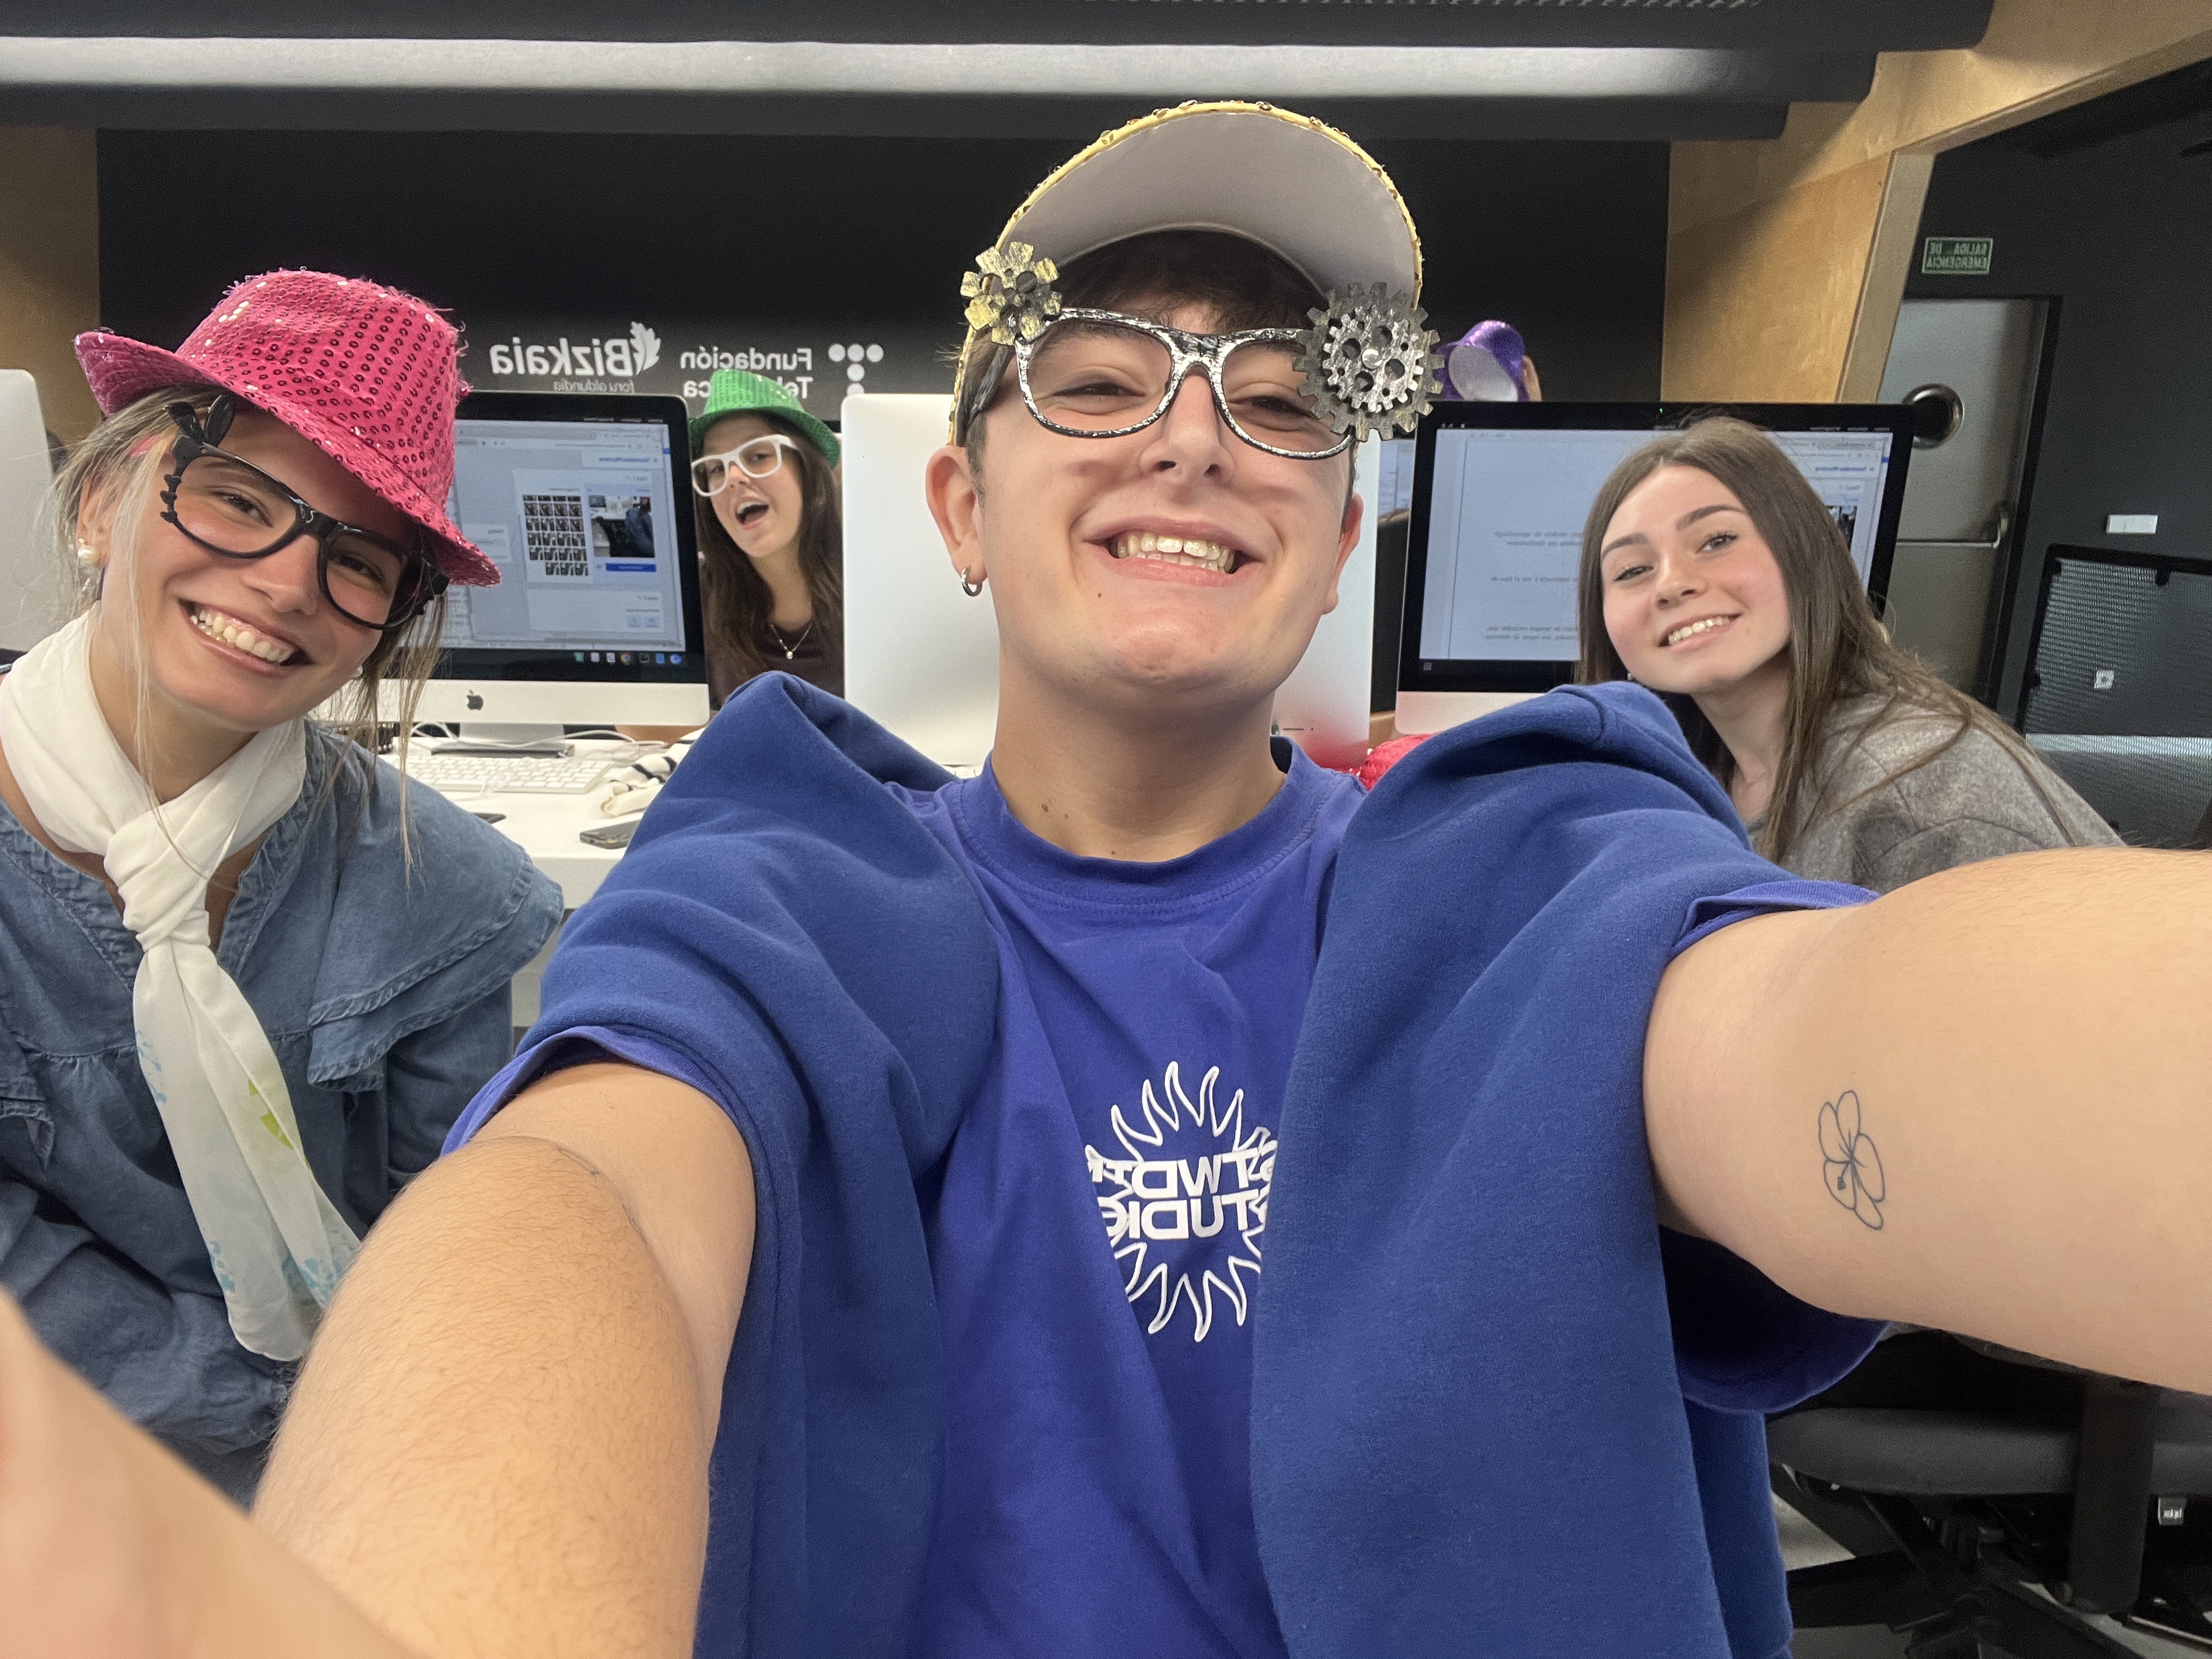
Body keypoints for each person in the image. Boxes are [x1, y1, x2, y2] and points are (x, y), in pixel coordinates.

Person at [5, 104, 2212, 1659]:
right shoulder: (785, 883)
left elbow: (1821, 1033)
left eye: (1282, 399)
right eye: (1098, 378)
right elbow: (577, 1205)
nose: (1194, 430)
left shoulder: (1518, 867)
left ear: (1341, 543)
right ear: (960, 508)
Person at [0, 272, 563, 1503]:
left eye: (358, 559)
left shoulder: (443, 893)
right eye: (238, 497)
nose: (287, 582)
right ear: (101, 502)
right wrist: (266, 1417)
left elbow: (442, 1248)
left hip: (352, 1473)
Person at [1578, 414, 2118, 889]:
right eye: (1632, 570)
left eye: (1717, 541)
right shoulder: (1689, 776)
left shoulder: (1924, 802)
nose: (1672, 584)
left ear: (1805, 554)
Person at [688, 368, 843, 703]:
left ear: (806, 469)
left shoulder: (873, 586)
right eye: (716, 467)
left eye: (758, 456)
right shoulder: (698, 597)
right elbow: (642, 723)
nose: (733, 477)